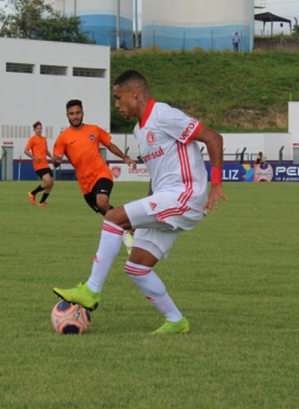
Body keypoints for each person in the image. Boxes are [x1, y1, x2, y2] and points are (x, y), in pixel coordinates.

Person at [53, 70, 227, 334]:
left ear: (134, 93)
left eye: (118, 97)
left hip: (185, 195)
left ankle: (91, 291)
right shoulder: (139, 129)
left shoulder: (164, 114)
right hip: (165, 199)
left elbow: (214, 138)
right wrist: (142, 215)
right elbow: (157, 176)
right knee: (136, 267)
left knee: (111, 218)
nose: (117, 104)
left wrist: (216, 185)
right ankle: (176, 321)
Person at [53, 99, 134, 215]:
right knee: (106, 213)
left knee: (101, 202)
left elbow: (109, 145)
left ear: (82, 113)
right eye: (71, 114)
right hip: (85, 184)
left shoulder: (94, 130)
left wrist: (124, 157)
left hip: (101, 173)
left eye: (78, 113)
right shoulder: (63, 138)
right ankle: (129, 227)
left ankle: (128, 226)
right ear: (67, 116)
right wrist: (56, 161)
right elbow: (56, 161)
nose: (75, 117)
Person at [24, 121, 54, 206]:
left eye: (40, 128)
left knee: (51, 183)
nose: (39, 130)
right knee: (48, 182)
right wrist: (34, 157)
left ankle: (41, 202)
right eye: (37, 128)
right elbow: (26, 150)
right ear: (34, 130)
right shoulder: (32, 139)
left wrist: (51, 157)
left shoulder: (44, 139)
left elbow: (45, 150)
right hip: (38, 165)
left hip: (45, 164)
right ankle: (32, 193)